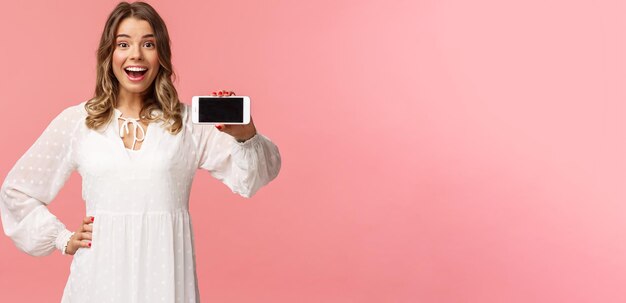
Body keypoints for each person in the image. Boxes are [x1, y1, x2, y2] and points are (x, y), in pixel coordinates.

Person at [0, 2, 281, 302]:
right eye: (124, 44)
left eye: (148, 43)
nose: (136, 54)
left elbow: (252, 178)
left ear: (161, 55)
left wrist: (244, 136)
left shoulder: (186, 124)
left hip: (165, 280)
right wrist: (61, 238)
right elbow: (16, 191)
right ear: (109, 55)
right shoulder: (78, 121)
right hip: (98, 281)